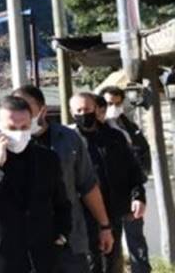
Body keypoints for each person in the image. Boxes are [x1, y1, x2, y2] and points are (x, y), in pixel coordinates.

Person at [0, 95, 72, 272]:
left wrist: (61, 235)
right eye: (11, 127)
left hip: (40, 257)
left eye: (24, 127)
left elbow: (61, 203)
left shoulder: (46, 158)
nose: (19, 132)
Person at [12, 85, 114, 272]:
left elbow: (88, 185)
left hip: (68, 240)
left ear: (42, 109)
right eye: (16, 106)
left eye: (26, 106)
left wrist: (104, 226)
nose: (21, 112)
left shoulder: (68, 139)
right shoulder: (7, 144)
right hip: (24, 242)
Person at [70, 92, 147, 273]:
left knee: (112, 261)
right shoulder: (70, 141)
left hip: (113, 211)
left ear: (96, 109)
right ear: (72, 113)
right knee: (90, 263)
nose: (83, 113)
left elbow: (133, 170)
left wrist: (138, 196)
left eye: (87, 109)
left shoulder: (114, 137)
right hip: (83, 214)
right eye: (78, 110)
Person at [101, 86, 152, 273]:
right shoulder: (95, 129)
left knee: (136, 241)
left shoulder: (129, 127)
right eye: (108, 103)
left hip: (131, 193)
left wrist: (138, 190)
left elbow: (141, 156)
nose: (113, 107)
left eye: (117, 103)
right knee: (110, 246)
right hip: (106, 198)